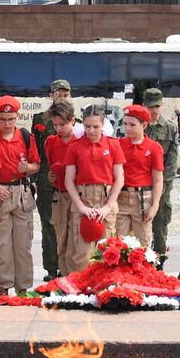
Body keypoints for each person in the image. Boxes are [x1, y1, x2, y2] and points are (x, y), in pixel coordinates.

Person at [0, 95, 40, 297]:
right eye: (2, 119)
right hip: (0, 192)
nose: (7, 124)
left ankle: (23, 286)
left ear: (17, 117)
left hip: (21, 193)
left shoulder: (26, 136)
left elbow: (36, 165)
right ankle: (2, 285)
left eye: (11, 119)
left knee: (23, 244)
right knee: (0, 244)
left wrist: (28, 167)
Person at [65, 104, 126, 264]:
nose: (91, 131)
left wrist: (108, 206)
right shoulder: (75, 147)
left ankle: (107, 289)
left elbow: (119, 178)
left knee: (108, 253)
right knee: (82, 254)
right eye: (87, 126)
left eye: (96, 126)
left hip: (106, 198)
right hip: (83, 198)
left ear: (103, 124)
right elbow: (68, 180)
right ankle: (82, 289)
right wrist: (80, 206)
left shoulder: (113, 144)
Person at [33, 79, 71, 280]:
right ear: (51, 95)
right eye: (59, 93)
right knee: (49, 225)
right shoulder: (40, 119)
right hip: (48, 181)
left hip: (70, 183)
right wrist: (34, 179)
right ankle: (51, 268)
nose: (63, 97)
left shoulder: (78, 122)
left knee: (70, 225)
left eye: (66, 94)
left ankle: (68, 267)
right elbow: (36, 153)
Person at [115, 104, 164, 247]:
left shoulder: (153, 148)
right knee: (118, 243)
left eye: (132, 124)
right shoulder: (118, 145)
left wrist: (155, 205)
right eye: (125, 124)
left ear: (144, 125)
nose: (128, 128)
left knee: (143, 243)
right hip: (122, 197)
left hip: (143, 198)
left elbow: (158, 179)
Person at [143, 88, 180, 265]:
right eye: (151, 106)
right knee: (139, 228)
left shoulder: (170, 128)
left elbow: (172, 162)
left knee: (160, 227)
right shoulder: (137, 126)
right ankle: (138, 263)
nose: (154, 110)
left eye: (157, 106)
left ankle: (159, 265)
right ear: (144, 106)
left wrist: (163, 187)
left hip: (162, 186)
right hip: (140, 184)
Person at [44, 100, 80, 275]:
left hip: (78, 195)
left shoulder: (80, 140)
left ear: (72, 121)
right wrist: (52, 177)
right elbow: (52, 167)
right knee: (62, 239)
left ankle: (77, 278)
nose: (59, 128)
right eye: (55, 124)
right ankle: (65, 278)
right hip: (60, 194)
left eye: (62, 124)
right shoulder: (51, 142)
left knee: (77, 240)